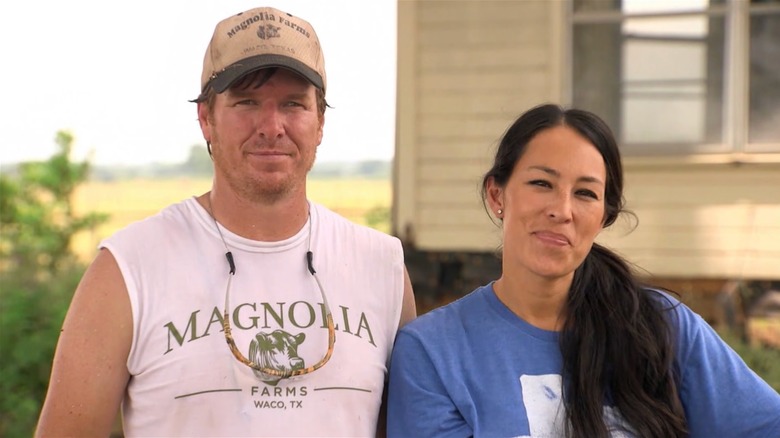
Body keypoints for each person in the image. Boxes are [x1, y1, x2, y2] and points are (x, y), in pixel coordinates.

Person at [36, 6, 416, 437]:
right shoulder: (127, 268)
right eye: (246, 102)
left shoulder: (381, 266)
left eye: (293, 104)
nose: (271, 127)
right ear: (205, 118)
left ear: (320, 122)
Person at [386, 104, 780, 438]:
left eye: (586, 193)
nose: (562, 210)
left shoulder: (662, 327)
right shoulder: (433, 353)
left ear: (604, 216)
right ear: (497, 195)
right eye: (542, 183)